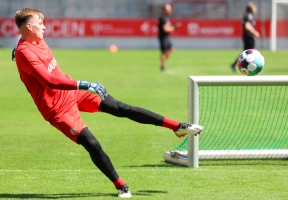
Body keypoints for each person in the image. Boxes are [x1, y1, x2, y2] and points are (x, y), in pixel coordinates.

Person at [12, 8, 203, 198]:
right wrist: (85, 84)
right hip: (57, 109)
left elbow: (25, 47)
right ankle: (121, 186)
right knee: (92, 143)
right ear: (29, 26)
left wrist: (16, 50)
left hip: (73, 94)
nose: (44, 27)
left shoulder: (35, 40)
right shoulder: (25, 53)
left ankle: (177, 127)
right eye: (40, 23)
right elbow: (48, 80)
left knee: (121, 108)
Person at [230, 1, 260, 72]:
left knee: (247, 53)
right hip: (248, 37)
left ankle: (235, 65)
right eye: (255, 8)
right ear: (251, 8)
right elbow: (247, 26)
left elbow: (243, 26)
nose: (256, 9)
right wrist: (254, 32)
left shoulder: (247, 15)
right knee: (250, 52)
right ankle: (250, 67)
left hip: (247, 37)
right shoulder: (248, 15)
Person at [158, 4, 181, 71]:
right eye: (169, 9)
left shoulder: (165, 18)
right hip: (163, 37)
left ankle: (162, 63)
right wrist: (174, 27)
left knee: (171, 49)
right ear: (164, 10)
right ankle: (162, 67)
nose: (170, 11)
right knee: (164, 52)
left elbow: (168, 27)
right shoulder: (162, 18)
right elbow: (165, 29)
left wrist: (174, 26)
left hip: (166, 37)